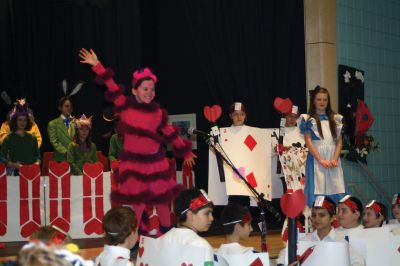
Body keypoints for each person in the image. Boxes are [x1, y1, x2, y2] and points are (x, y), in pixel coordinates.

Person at [79, 48, 196, 230]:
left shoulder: (157, 112)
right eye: (145, 89)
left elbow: (170, 131)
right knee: (138, 203)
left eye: (152, 89)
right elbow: (111, 85)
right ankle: (134, 240)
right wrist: (97, 65)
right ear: (134, 91)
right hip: (134, 164)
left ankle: (166, 236)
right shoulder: (124, 106)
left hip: (155, 163)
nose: (149, 92)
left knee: (162, 202)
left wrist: (186, 151)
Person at [299, 86, 345, 206]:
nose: (322, 102)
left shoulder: (336, 119)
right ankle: (316, 217)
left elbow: (339, 141)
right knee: (316, 190)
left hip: (333, 160)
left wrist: (335, 158)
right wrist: (320, 160)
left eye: (325, 99)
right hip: (316, 159)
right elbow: (308, 141)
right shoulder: (308, 119)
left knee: (336, 188)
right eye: (319, 99)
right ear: (313, 101)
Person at [299, 196, 365, 266]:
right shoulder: (305, 241)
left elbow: (359, 262)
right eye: (314, 215)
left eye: (322, 215)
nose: (317, 219)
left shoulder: (340, 242)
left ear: (332, 218)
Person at [159, 188, 215, 265]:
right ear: (190, 215)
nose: (212, 218)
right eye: (207, 213)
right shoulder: (201, 246)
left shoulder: (160, 241)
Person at [0, 100, 40, 175]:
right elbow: (2, 158)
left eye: (25, 120)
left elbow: (38, 157)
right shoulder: (8, 139)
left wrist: (35, 164)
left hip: (31, 173)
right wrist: (14, 165)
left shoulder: (32, 138)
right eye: (20, 120)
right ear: (15, 121)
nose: (23, 122)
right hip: (14, 173)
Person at [227, 102, 251, 207]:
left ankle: (245, 221)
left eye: (242, 114)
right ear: (231, 116)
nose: (239, 117)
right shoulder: (225, 133)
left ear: (245, 116)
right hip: (231, 172)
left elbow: (253, 149)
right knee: (233, 199)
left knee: (246, 198)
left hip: (247, 170)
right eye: (236, 114)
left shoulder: (249, 132)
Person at [48, 96, 75, 162]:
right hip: (61, 159)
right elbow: (54, 141)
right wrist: (66, 152)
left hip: (76, 159)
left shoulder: (76, 122)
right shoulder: (53, 124)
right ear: (60, 108)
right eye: (66, 106)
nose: (69, 108)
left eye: (71, 106)